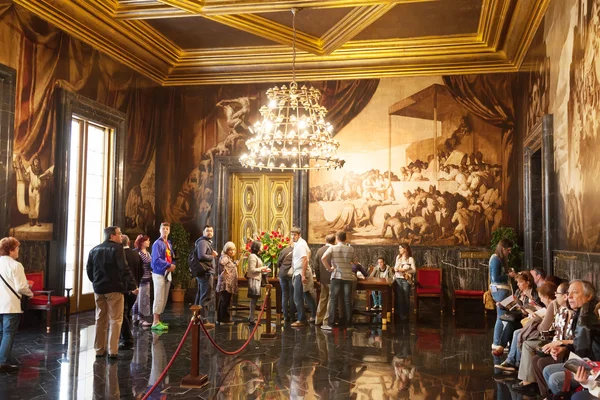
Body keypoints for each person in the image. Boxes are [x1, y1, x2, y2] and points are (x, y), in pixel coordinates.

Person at [87, 226, 137, 359]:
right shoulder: (117, 249)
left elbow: (89, 270)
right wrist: (132, 286)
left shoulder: (94, 250)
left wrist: (96, 282)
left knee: (100, 319)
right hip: (114, 289)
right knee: (115, 319)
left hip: (98, 289)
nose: (121, 237)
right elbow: (124, 268)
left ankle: (99, 349)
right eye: (119, 234)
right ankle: (112, 350)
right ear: (112, 236)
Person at [0, 237, 33, 372]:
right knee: (8, 333)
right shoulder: (16, 265)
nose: (18, 250)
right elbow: (21, 287)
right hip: (10, 304)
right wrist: (30, 293)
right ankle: (2, 361)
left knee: (2, 332)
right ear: (11, 250)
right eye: (17, 248)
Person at [321, 231, 359, 331]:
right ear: (345, 238)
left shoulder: (332, 248)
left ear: (337, 238)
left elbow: (323, 258)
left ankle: (331, 324)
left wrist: (329, 268)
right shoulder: (350, 248)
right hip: (348, 277)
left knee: (333, 300)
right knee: (347, 300)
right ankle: (349, 324)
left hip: (336, 276)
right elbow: (356, 262)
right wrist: (348, 262)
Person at [489, 238, 516, 356]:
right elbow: (495, 278)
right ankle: (497, 342)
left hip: (500, 291)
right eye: (508, 250)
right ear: (502, 248)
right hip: (500, 290)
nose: (509, 252)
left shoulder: (497, 259)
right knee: (502, 317)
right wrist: (508, 275)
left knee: (501, 316)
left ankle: (498, 342)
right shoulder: (495, 259)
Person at [150, 222, 175, 331]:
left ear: (169, 231)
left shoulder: (168, 243)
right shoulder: (157, 243)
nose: (165, 230)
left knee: (164, 297)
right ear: (160, 230)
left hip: (167, 273)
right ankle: (155, 321)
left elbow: (171, 257)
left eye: (167, 229)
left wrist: (172, 265)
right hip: (159, 273)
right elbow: (155, 260)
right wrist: (168, 265)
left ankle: (159, 320)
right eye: (163, 228)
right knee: (159, 296)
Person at [290, 226, 317, 328]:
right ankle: (314, 315)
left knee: (297, 297)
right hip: (300, 271)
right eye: (292, 235)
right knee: (306, 294)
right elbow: (309, 252)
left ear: (299, 235)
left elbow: (305, 259)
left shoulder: (300, 245)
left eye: (295, 235)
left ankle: (301, 319)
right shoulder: (301, 243)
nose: (293, 237)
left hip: (300, 273)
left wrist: (303, 274)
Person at [194, 225, 218, 329]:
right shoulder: (203, 242)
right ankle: (203, 320)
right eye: (207, 231)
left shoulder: (206, 242)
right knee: (205, 297)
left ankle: (197, 318)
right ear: (203, 232)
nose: (210, 232)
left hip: (206, 273)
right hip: (206, 273)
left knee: (201, 296)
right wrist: (212, 256)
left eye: (211, 231)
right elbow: (201, 256)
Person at [119, 235, 140, 350]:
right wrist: (136, 284)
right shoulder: (136, 254)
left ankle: (126, 338)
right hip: (135, 287)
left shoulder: (120, 255)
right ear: (129, 242)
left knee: (123, 314)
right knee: (126, 314)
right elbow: (140, 270)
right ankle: (125, 336)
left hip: (125, 288)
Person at [314, 233, 335, 325]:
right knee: (330, 300)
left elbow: (316, 266)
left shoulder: (319, 251)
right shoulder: (334, 250)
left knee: (322, 299)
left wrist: (318, 278)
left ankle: (318, 319)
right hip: (332, 279)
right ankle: (326, 321)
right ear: (334, 241)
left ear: (325, 240)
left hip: (322, 279)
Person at [132, 234, 152, 327]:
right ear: (142, 242)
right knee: (138, 299)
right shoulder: (137, 253)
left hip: (147, 278)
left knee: (144, 299)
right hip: (140, 279)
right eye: (147, 240)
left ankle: (140, 318)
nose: (148, 242)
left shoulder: (147, 253)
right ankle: (137, 318)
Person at [216, 242, 238, 324]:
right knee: (225, 301)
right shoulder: (225, 257)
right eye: (230, 250)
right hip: (225, 283)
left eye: (233, 250)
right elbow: (222, 262)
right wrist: (224, 270)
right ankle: (224, 319)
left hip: (227, 283)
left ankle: (221, 318)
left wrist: (234, 264)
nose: (232, 252)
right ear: (226, 250)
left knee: (225, 301)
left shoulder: (228, 258)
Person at [246, 240, 269, 323]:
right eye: (261, 246)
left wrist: (264, 270)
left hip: (257, 279)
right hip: (253, 279)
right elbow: (252, 270)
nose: (262, 247)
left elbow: (257, 269)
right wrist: (262, 268)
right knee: (253, 299)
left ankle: (251, 317)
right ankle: (251, 318)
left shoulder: (257, 256)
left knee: (255, 299)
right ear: (257, 247)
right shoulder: (252, 256)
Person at [393, 244, 415, 321]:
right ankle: (401, 314)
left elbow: (414, 270)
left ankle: (407, 314)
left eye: (400, 248)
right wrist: (396, 269)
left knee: (406, 297)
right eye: (399, 248)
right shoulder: (398, 257)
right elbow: (395, 266)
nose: (399, 249)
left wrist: (405, 270)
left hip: (406, 280)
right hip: (398, 279)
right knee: (400, 298)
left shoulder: (410, 259)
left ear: (405, 249)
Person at [276, 244, 295, 323]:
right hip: (291, 274)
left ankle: (285, 316)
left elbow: (278, 263)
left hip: (282, 274)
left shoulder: (284, 251)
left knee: (284, 294)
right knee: (291, 295)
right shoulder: (296, 251)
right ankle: (292, 316)